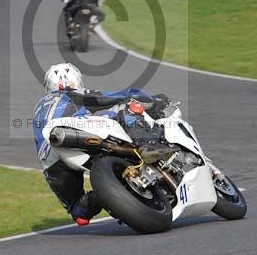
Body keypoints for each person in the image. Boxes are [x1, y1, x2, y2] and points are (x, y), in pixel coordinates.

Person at [32, 63, 171, 226]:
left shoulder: (39, 106)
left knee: (79, 213)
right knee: (127, 105)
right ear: (77, 80)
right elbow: (116, 96)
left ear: (49, 85)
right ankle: (147, 144)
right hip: (74, 134)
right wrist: (153, 101)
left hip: (50, 160)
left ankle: (107, 194)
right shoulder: (74, 93)